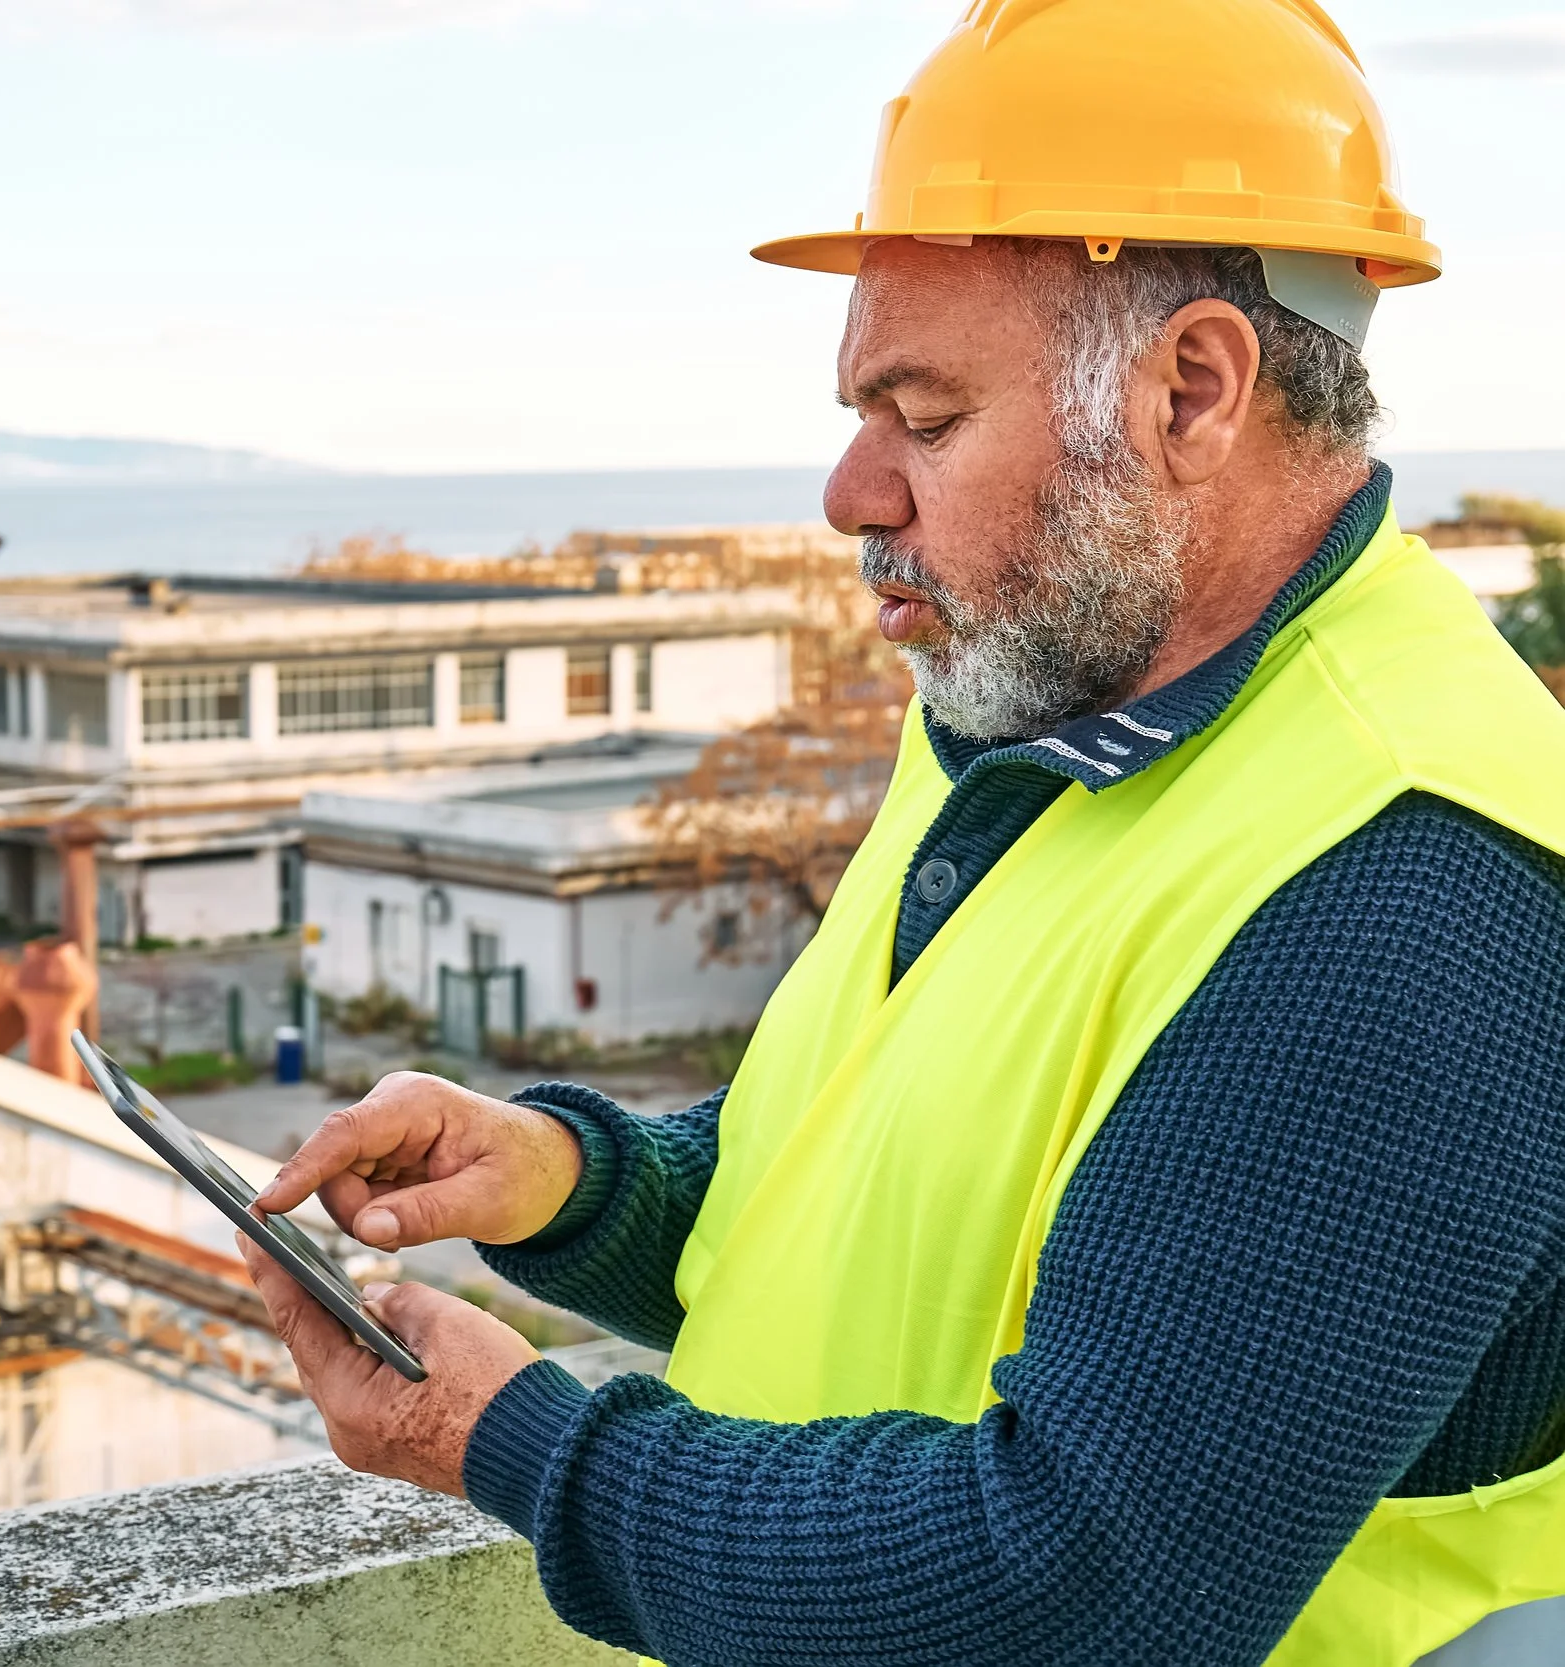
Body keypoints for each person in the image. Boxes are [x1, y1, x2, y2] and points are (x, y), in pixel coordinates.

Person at [238, 3, 1565, 1663]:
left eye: (924, 418)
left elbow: (1076, 1585)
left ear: (1193, 388)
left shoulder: (1409, 888)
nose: (852, 490)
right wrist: (568, 1183)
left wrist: (518, 1444)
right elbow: (872, 1191)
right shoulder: (1032, 709)